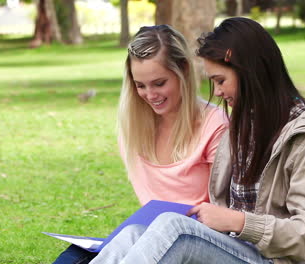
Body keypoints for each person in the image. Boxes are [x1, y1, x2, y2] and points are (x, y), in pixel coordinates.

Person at [88, 17, 305, 264]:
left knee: (172, 225)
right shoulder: (243, 124)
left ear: (248, 71)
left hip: (274, 259)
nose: (215, 92)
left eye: (220, 80)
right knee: (134, 233)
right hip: (232, 248)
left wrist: (239, 222)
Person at [52, 25, 228, 263]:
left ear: (184, 70)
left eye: (159, 83)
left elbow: (227, 212)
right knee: (74, 257)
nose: (150, 95)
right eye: (140, 85)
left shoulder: (215, 125)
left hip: (202, 242)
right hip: (150, 235)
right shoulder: (133, 129)